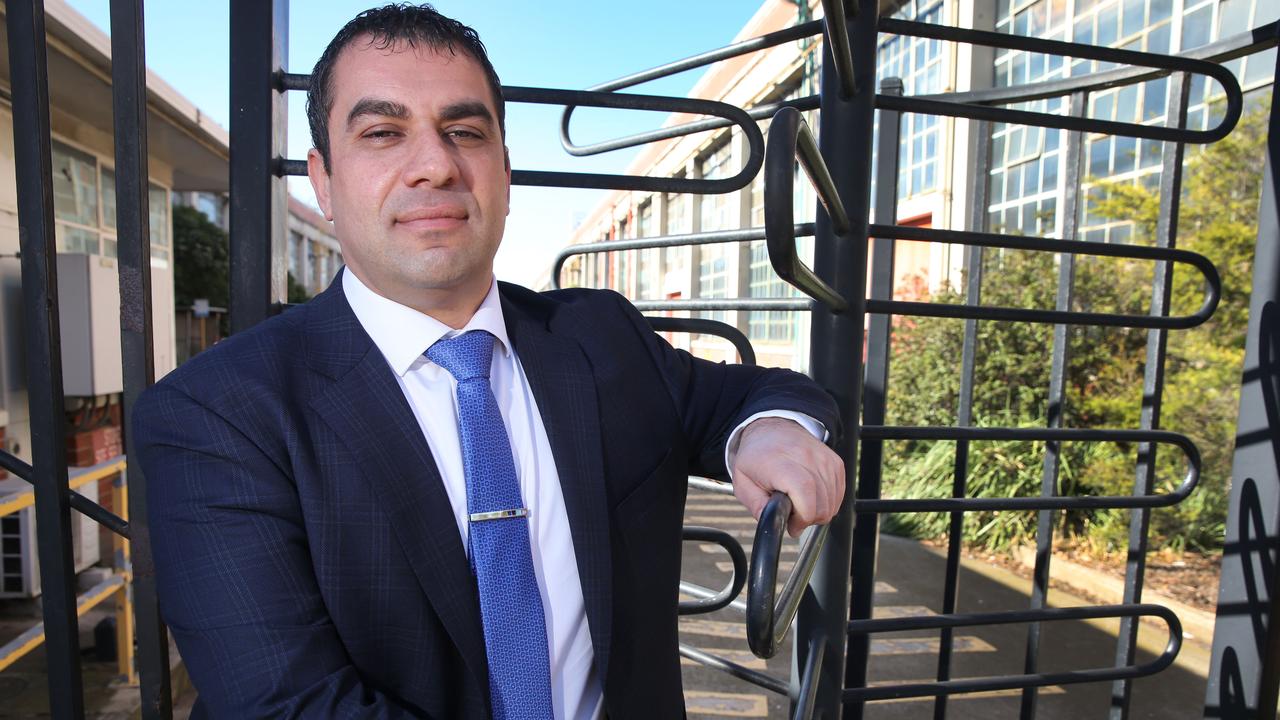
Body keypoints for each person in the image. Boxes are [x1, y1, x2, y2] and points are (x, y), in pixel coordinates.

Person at [133, 4, 844, 719]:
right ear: (322, 181)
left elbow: (746, 399)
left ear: (504, 171)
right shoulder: (216, 413)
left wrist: (772, 430)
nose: (435, 166)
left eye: (465, 132)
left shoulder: (600, 337)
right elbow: (285, 706)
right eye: (383, 133)